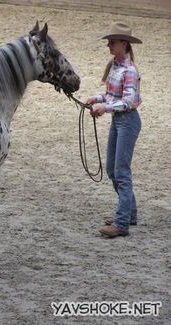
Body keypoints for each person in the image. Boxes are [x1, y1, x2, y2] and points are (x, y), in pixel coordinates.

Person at [85, 22, 142, 238]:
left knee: (121, 172)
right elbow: (113, 95)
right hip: (119, 121)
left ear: (124, 44)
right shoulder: (115, 66)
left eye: (113, 41)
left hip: (127, 121)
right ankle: (129, 213)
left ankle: (121, 223)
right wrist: (96, 99)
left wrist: (104, 108)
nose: (109, 44)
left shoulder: (129, 70)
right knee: (112, 170)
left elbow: (127, 102)